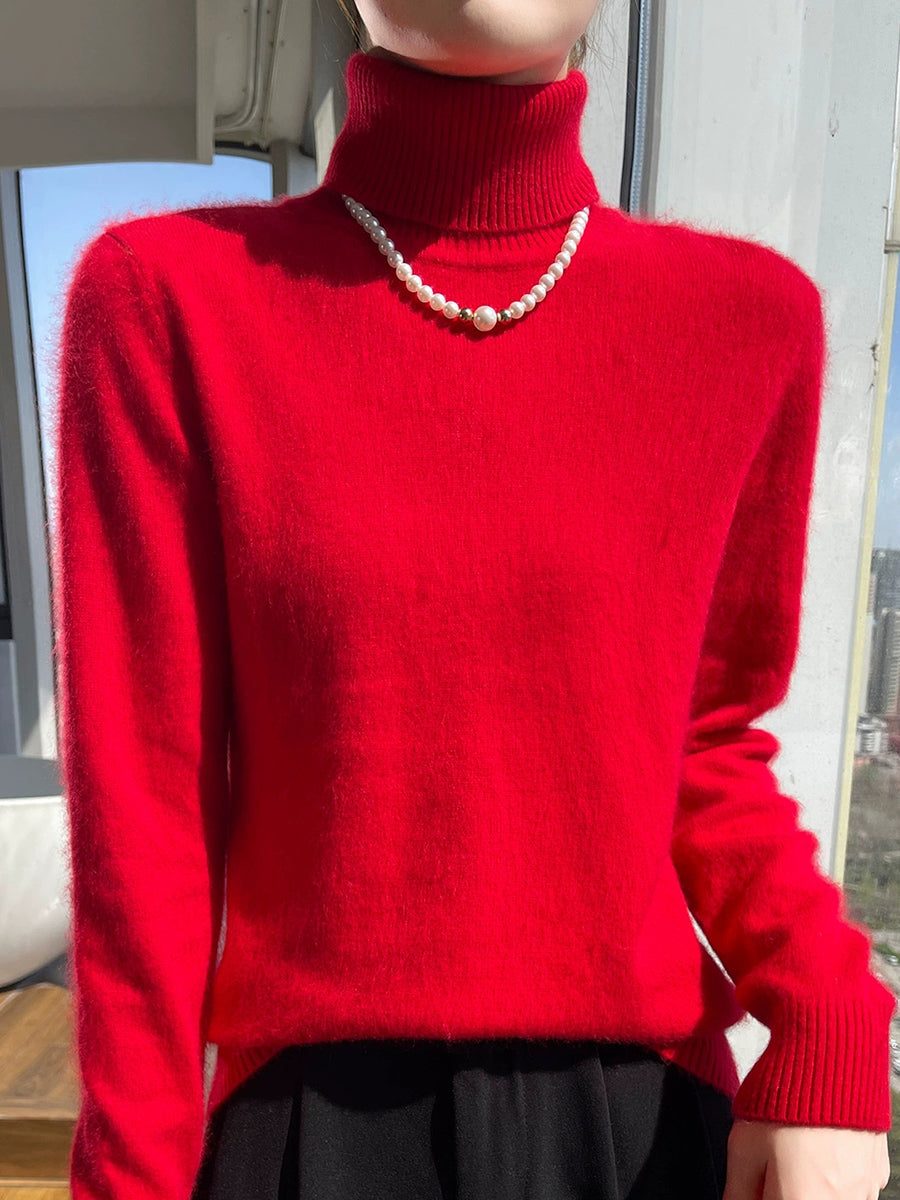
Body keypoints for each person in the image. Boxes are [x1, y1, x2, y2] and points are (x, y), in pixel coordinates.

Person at [51, 1, 896, 1199]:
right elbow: (145, 816)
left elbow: (704, 747)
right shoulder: (169, 300)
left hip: (643, 1128)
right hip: (314, 1136)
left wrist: (828, 1015)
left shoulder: (749, 324)